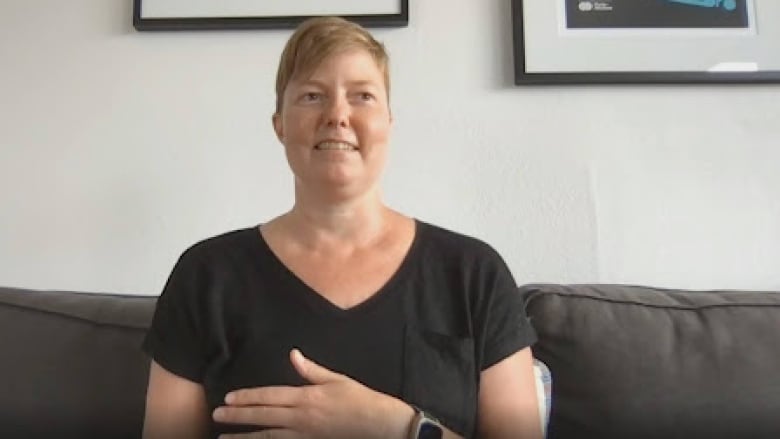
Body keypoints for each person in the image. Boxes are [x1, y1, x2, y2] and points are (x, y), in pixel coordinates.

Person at [141, 16, 542, 439]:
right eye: (312, 96)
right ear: (279, 125)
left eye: (362, 96)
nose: (337, 115)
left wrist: (401, 429)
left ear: (389, 122)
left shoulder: (474, 274)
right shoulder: (205, 275)